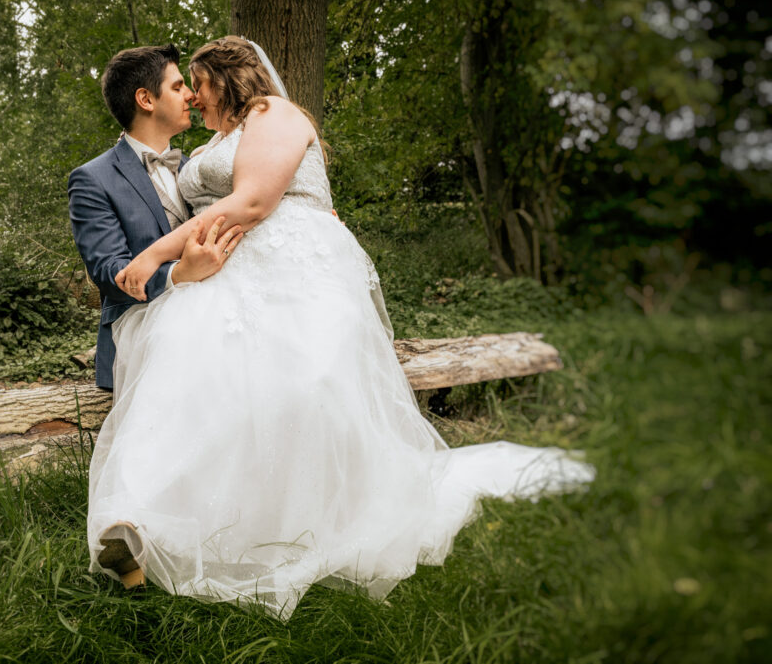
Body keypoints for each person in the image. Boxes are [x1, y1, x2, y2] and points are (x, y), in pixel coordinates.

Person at [86, 36, 595, 619]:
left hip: (295, 267)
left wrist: (154, 257)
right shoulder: (215, 141)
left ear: (225, 77)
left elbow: (252, 201)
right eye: (182, 87)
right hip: (226, 276)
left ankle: (314, 519)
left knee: (311, 388)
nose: (193, 98)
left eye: (196, 84)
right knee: (209, 384)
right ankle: (158, 523)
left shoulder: (271, 113)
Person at [67, 43, 243, 392]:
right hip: (144, 336)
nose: (192, 96)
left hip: (221, 322)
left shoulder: (198, 168)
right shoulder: (93, 178)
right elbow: (109, 272)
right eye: (178, 87)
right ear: (146, 100)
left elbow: (246, 212)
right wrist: (178, 274)